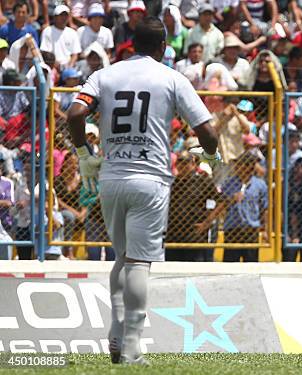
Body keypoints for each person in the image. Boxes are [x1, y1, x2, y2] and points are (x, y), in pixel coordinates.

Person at [67, 17, 220, 365]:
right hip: (149, 179)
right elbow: (208, 132)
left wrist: (83, 155)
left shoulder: (105, 74)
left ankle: (116, 336)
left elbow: (75, 113)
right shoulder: (171, 77)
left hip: (110, 177)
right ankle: (133, 346)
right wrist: (209, 154)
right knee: (138, 262)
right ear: (163, 47)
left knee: (121, 257)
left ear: (131, 44)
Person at [40, 5, 82, 69]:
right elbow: (45, 53)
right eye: (61, 15)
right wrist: (56, 66)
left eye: (66, 15)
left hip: (69, 67)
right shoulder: (47, 31)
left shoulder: (73, 33)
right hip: (51, 66)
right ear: (55, 17)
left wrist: (69, 67)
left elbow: (75, 54)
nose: (64, 18)